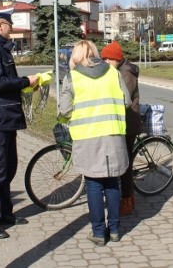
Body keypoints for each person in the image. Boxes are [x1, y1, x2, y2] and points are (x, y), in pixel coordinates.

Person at [0, 8, 40, 240]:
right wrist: (25, 81)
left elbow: (3, 82)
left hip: (4, 118)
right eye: (9, 25)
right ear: (0, 26)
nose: (11, 30)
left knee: (7, 168)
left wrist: (25, 85)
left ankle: (4, 215)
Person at [58, 40, 131, 246]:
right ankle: (115, 230)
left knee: (94, 184)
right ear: (95, 53)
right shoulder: (113, 73)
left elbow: (64, 110)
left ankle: (99, 233)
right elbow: (126, 101)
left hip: (87, 137)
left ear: (76, 56)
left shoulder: (72, 77)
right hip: (113, 135)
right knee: (112, 181)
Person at [100, 40, 140, 216]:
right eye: (104, 59)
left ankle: (127, 200)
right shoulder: (117, 71)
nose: (106, 63)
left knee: (126, 164)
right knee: (122, 162)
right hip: (120, 121)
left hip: (128, 122)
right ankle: (126, 196)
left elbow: (124, 98)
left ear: (116, 59)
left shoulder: (126, 74)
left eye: (108, 59)